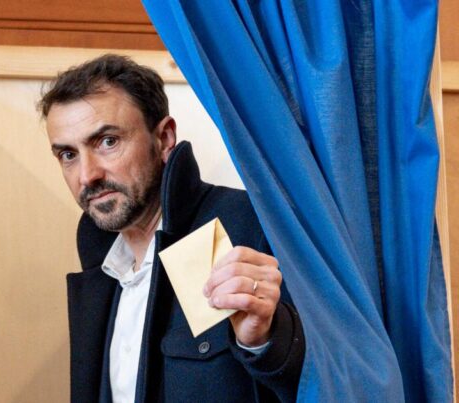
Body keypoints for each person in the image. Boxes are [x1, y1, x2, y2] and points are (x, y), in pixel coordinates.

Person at [38, 54, 305, 403]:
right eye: (68, 155)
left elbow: (333, 375)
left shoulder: (252, 223)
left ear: (164, 138)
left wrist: (267, 339)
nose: (87, 175)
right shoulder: (99, 265)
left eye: (108, 141)